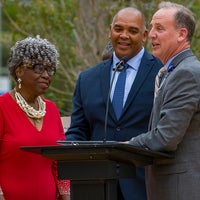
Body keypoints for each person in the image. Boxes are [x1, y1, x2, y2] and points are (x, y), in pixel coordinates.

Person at [66, 7, 163, 200]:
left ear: (144, 35)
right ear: (110, 30)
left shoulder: (162, 74)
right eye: (118, 29)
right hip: (95, 186)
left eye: (132, 31)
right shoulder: (87, 79)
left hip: (145, 186)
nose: (124, 36)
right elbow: (78, 130)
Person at [125, 2, 200, 200]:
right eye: (151, 28)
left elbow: (166, 138)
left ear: (181, 34)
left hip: (182, 189)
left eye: (160, 28)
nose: (151, 35)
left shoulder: (187, 73)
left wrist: (125, 146)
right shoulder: (170, 72)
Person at [0, 36, 70, 200]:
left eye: (50, 69)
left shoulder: (51, 110)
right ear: (19, 71)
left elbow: (59, 163)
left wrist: (66, 196)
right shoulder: (2, 107)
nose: (46, 75)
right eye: (39, 68)